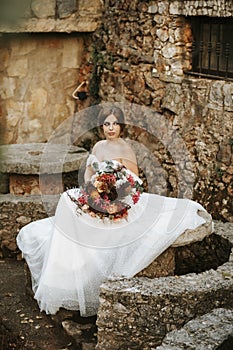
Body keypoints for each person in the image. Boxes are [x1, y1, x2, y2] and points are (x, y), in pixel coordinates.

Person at [17, 106, 209, 317]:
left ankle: (78, 265)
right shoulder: (99, 146)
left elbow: (135, 181)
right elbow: (89, 175)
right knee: (67, 200)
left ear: (121, 126)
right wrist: (92, 187)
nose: (111, 128)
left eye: (115, 123)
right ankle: (63, 269)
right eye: (107, 124)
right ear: (102, 126)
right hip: (96, 192)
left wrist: (112, 196)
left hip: (119, 196)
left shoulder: (125, 149)